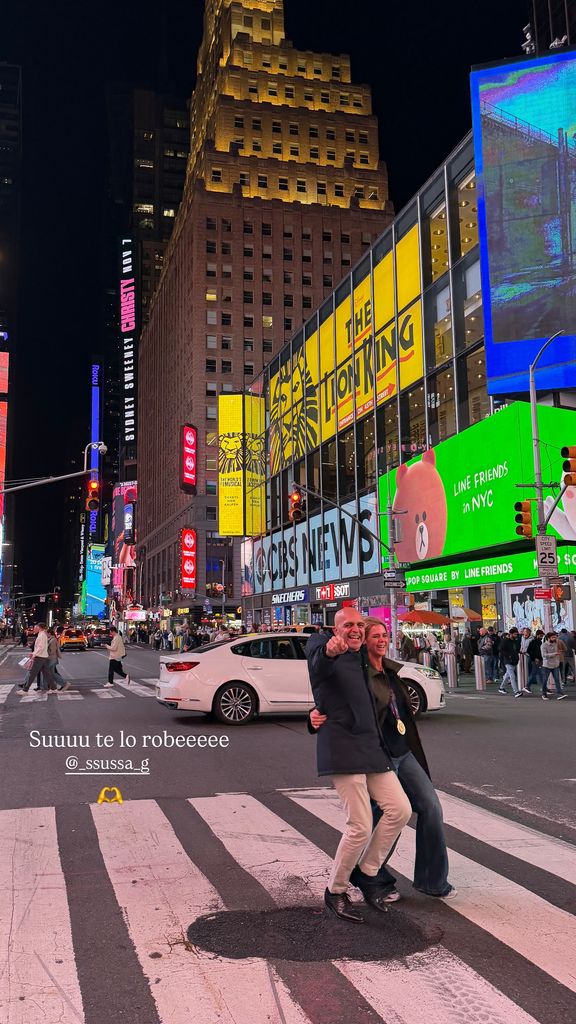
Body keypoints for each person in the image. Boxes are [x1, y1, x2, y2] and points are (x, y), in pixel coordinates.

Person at [310, 617, 455, 903]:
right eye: (374, 635)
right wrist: (313, 715)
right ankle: (368, 877)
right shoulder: (354, 665)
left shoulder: (389, 670)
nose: (380, 639)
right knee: (374, 818)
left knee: (428, 808)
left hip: (400, 750)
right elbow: (329, 689)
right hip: (374, 753)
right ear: (362, 641)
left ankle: (431, 880)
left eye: (384, 634)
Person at [306, 609, 412, 923]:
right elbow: (317, 662)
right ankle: (336, 890)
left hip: (371, 747)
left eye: (358, 624)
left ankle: (367, 874)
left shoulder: (364, 656)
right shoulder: (323, 645)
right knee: (360, 825)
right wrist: (329, 648)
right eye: (347, 625)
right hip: (342, 747)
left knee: (400, 809)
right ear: (334, 629)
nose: (354, 629)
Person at [19, 623, 57, 694]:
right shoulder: (41, 635)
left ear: (39, 628)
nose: (34, 629)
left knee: (32, 673)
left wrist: (34, 654)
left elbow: (40, 647)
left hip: (39, 657)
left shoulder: (42, 636)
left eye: (35, 628)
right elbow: (40, 647)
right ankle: (54, 688)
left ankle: (25, 690)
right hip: (42, 656)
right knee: (47, 673)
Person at [541, 632, 566, 700]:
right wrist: (555, 654)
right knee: (545, 680)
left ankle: (559, 693)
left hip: (555, 665)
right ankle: (544, 694)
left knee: (557, 680)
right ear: (548, 638)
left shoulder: (555, 644)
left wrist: (558, 656)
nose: (554, 638)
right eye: (553, 637)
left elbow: (557, 653)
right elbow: (544, 655)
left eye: (555, 637)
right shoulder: (544, 645)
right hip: (546, 666)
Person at [498, 628, 522, 697]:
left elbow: (516, 649)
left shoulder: (515, 641)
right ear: (511, 634)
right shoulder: (505, 641)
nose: (516, 635)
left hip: (514, 660)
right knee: (512, 676)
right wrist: (508, 655)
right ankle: (516, 691)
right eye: (515, 634)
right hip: (508, 660)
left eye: (516, 634)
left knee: (507, 675)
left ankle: (501, 687)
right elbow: (500, 649)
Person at [47, 627, 70, 692]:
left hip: (52, 659)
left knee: (52, 673)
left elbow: (52, 651)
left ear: (49, 633)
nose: (46, 635)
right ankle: (55, 685)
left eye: (47, 633)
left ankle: (64, 684)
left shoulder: (53, 640)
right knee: (51, 673)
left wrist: (45, 654)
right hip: (51, 658)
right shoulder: (50, 639)